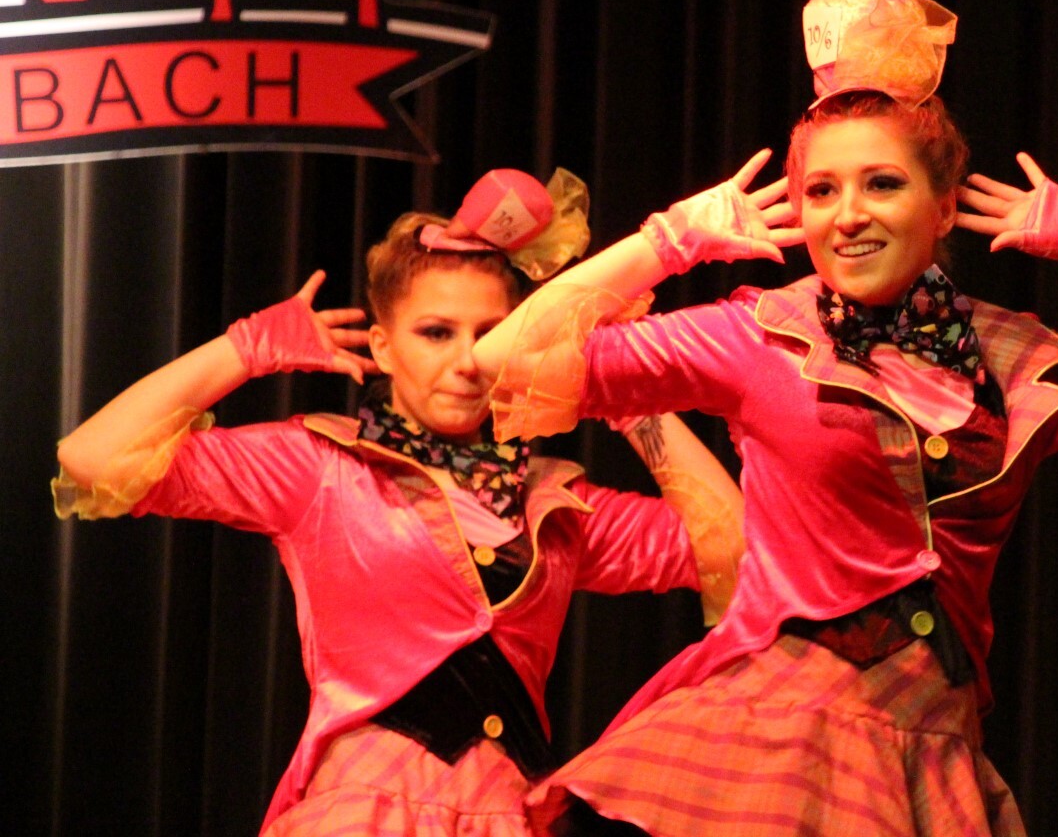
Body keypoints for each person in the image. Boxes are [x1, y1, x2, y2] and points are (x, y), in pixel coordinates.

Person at [476, 0, 1058, 835]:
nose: (849, 216)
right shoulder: (757, 335)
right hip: (776, 740)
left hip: (929, 754)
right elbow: (503, 358)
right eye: (821, 192)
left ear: (945, 207)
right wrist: (667, 242)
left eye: (882, 184)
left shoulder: (1028, 361)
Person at [52, 168, 743, 835]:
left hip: (510, 816)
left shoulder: (555, 500)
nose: (468, 361)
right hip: (363, 816)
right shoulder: (322, 466)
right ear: (383, 347)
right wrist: (247, 349)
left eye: (490, 333)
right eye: (436, 332)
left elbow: (738, 550)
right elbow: (94, 457)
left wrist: (620, 389)